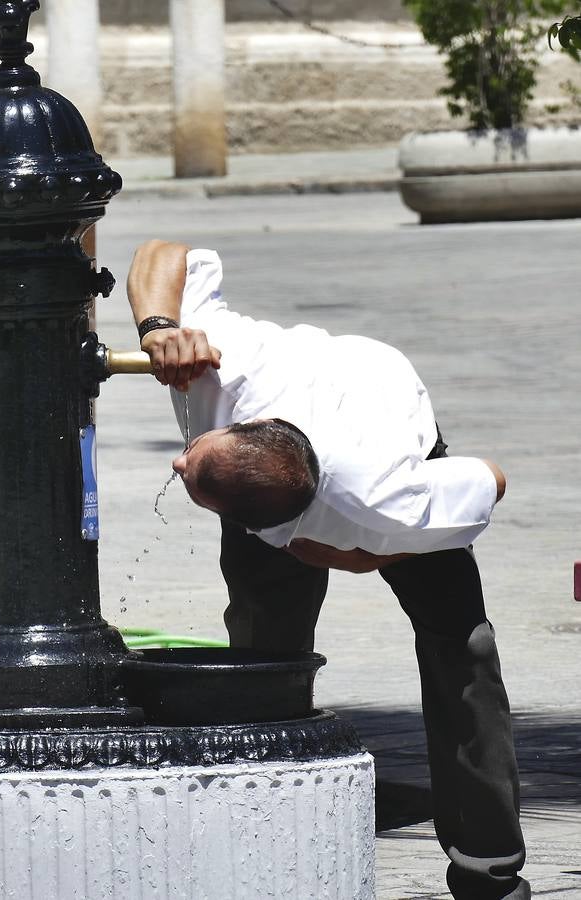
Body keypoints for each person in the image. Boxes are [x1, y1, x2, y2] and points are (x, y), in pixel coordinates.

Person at [126, 239, 529, 900]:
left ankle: (489, 869)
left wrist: (368, 555)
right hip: (297, 462)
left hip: (391, 468)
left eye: (187, 469)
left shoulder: (394, 493)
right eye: (195, 464)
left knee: (463, 651)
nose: (175, 461)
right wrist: (159, 326)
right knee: (264, 656)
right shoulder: (219, 371)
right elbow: (165, 251)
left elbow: (494, 478)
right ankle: (268, 837)